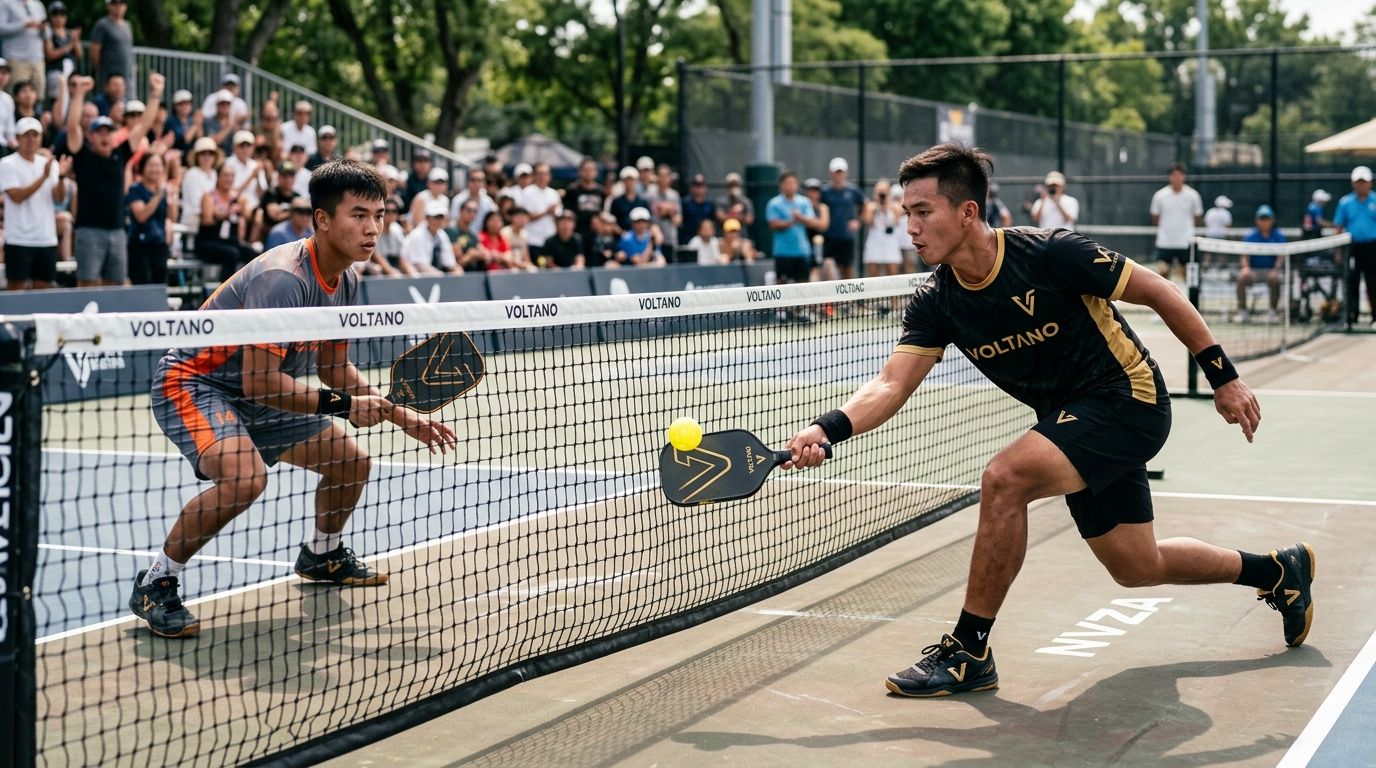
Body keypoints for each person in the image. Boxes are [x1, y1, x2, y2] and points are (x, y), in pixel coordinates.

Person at [785, 143, 1309, 698]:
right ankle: (1277, 571)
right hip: (1069, 420)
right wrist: (826, 428)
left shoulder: (1049, 253)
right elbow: (892, 384)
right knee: (1136, 565)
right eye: (905, 213)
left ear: (967, 212)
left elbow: (1159, 290)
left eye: (922, 211)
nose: (909, 227)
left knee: (1004, 478)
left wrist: (1223, 376)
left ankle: (969, 652)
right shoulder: (937, 302)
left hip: (1127, 399)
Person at [131, 161, 457, 638]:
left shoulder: (347, 279)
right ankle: (156, 582)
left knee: (351, 463)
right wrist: (345, 407)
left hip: (260, 388)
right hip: (196, 383)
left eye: (379, 215)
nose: (372, 228)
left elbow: (333, 369)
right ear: (322, 219)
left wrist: (396, 413)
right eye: (359, 215)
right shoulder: (283, 280)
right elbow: (261, 384)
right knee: (245, 479)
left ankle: (322, 555)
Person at [67, 71, 162, 287]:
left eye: (108, 131)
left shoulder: (121, 154)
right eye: (99, 132)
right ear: (91, 136)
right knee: (87, 283)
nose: (104, 136)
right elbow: (72, 127)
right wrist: (79, 94)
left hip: (117, 230)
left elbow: (144, 126)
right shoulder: (83, 156)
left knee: (116, 284)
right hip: (89, 230)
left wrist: (156, 94)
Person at [0, 116, 66, 290]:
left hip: (45, 238)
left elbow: (59, 198)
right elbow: (17, 196)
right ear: (18, 138)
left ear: (41, 137)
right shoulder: (7, 164)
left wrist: (61, 177)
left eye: (35, 135)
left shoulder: (50, 165)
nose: (31, 139)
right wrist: (43, 177)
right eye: (26, 135)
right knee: (16, 289)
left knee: (43, 290)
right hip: (18, 238)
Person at [197, 162, 256, 280]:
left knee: (252, 254)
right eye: (225, 175)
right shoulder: (209, 197)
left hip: (230, 242)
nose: (229, 179)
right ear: (218, 177)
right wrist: (224, 214)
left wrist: (244, 208)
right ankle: (225, 288)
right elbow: (207, 221)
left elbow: (248, 216)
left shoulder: (238, 198)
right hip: (209, 241)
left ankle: (251, 287)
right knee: (232, 254)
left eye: (231, 176)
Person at [125, 151, 175, 285]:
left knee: (160, 284)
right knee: (143, 284)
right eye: (151, 165)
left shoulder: (164, 190)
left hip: (159, 244)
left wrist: (171, 198)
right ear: (143, 167)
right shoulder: (135, 189)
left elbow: (172, 216)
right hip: (139, 245)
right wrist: (158, 195)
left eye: (158, 165)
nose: (155, 169)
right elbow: (141, 216)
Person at [1334, 165, 1376, 328]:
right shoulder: (1345, 202)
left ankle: (1375, 316)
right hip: (1352, 248)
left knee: (1373, 282)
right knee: (1351, 282)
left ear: (1370, 183)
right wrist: (1338, 251)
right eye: (1358, 182)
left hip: (1372, 248)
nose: (1361, 185)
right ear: (1353, 183)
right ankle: (1351, 316)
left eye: (1364, 182)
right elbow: (1339, 227)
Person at [765, 171, 821, 284]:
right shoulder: (774, 204)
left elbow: (813, 222)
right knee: (782, 285)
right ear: (781, 185)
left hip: (803, 252)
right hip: (783, 253)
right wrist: (791, 222)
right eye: (787, 183)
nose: (790, 186)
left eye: (792, 183)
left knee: (803, 285)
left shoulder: (804, 202)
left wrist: (800, 217)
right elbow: (773, 224)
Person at [1150, 163, 1203, 280]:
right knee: (1162, 275)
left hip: (1186, 242)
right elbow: (1155, 218)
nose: (1177, 178)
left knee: (1189, 277)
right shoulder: (1160, 196)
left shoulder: (1193, 195)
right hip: (1165, 242)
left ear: (1184, 176)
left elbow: (1198, 217)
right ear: (1169, 177)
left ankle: (1188, 293)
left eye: (1179, 175)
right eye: (1174, 175)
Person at [1235, 205, 1286, 324]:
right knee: (1242, 277)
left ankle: (1273, 312)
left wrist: (1276, 269)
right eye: (1262, 219)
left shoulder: (1278, 235)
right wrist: (1246, 268)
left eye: (1267, 218)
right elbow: (1244, 255)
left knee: (1275, 279)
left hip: (1270, 270)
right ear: (1257, 220)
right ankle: (1242, 311)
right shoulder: (1250, 235)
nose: (1265, 222)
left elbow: (1281, 256)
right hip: (1253, 271)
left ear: (1272, 220)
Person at [820, 157, 865, 279]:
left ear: (846, 173)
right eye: (836, 172)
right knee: (828, 265)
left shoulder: (853, 190)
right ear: (831, 173)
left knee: (847, 267)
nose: (838, 175)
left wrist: (858, 221)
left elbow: (865, 205)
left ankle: (849, 292)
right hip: (829, 237)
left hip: (846, 237)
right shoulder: (824, 192)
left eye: (841, 172)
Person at [0, 0, 46, 101]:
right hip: (16, 58)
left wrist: (44, 29)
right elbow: (1, 28)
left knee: (38, 97)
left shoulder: (38, 5)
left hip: (37, 58)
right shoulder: (5, 3)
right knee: (17, 97)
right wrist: (23, 25)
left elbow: (46, 34)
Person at [401, 198, 458, 274]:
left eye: (440, 217)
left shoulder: (442, 235)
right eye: (435, 217)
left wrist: (457, 271)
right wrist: (441, 276)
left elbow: (450, 262)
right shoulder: (417, 235)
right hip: (414, 276)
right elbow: (420, 266)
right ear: (427, 218)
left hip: (434, 276)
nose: (438, 221)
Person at [88, 0, 133, 96]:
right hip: (108, 77)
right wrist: (101, 71)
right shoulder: (102, 25)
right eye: (115, 3)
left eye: (122, 3)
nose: (118, 6)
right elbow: (94, 53)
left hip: (126, 77)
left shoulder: (127, 25)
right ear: (108, 6)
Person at [862, 178, 904, 279]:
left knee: (893, 276)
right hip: (875, 243)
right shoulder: (871, 207)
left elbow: (898, 220)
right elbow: (868, 221)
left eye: (884, 193)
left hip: (890, 243)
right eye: (880, 193)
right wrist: (877, 207)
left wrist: (887, 205)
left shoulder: (895, 207)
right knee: (873, 277)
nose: (882, 196)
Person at [519, 162, 562, 254]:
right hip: (533, 240)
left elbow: (559, 217)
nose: (542, 177)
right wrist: (546, 211)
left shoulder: (554, 194)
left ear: (549, 176)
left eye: (545, 174)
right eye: (539, 174)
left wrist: (554, 213)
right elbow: (526, 216)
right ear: (534, 176)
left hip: (551, 239)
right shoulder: (527, 192)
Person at [564, 157, 605, 252]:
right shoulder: (572, 190)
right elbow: (567, 212)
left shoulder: (600, 191)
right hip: (577, 234)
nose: (588, 173)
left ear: (596, 172)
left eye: (591, 170)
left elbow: (601, 211)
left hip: (595, 235)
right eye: (585, 170)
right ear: (580, 172)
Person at [42, 1, 78, 101]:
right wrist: (69, 46)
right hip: (56, 71)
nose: (59, 17)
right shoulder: (48, 33)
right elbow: (50, 54)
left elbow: (79, 55)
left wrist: (76, 40)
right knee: (57, 100)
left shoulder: (70, 33)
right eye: (55, 14)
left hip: (71, 73)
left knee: (73, 100)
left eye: (62, 14)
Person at [802, 177, 833, 280]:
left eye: (815, 191)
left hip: (823, 250)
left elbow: (823, 225)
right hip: (805, 251)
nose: (812, 194)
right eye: (810, 190)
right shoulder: (801, 206)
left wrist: (803, 219)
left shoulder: (823, 207)